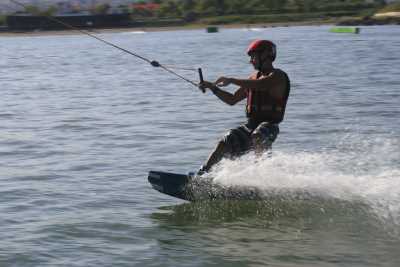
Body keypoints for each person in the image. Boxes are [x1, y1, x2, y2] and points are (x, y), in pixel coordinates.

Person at [198, 39, 290, 174]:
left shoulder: (278, 76)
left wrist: (232, 80)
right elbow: (232, 99)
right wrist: (212, 87)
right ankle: (202, 174)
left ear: (265, 55)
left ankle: (264, 175)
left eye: (253, 56)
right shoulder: (252, 79)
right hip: (250, 126)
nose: (251, 61)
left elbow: (262, 84)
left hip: (269, 126)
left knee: (259, 134)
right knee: (225, 141)